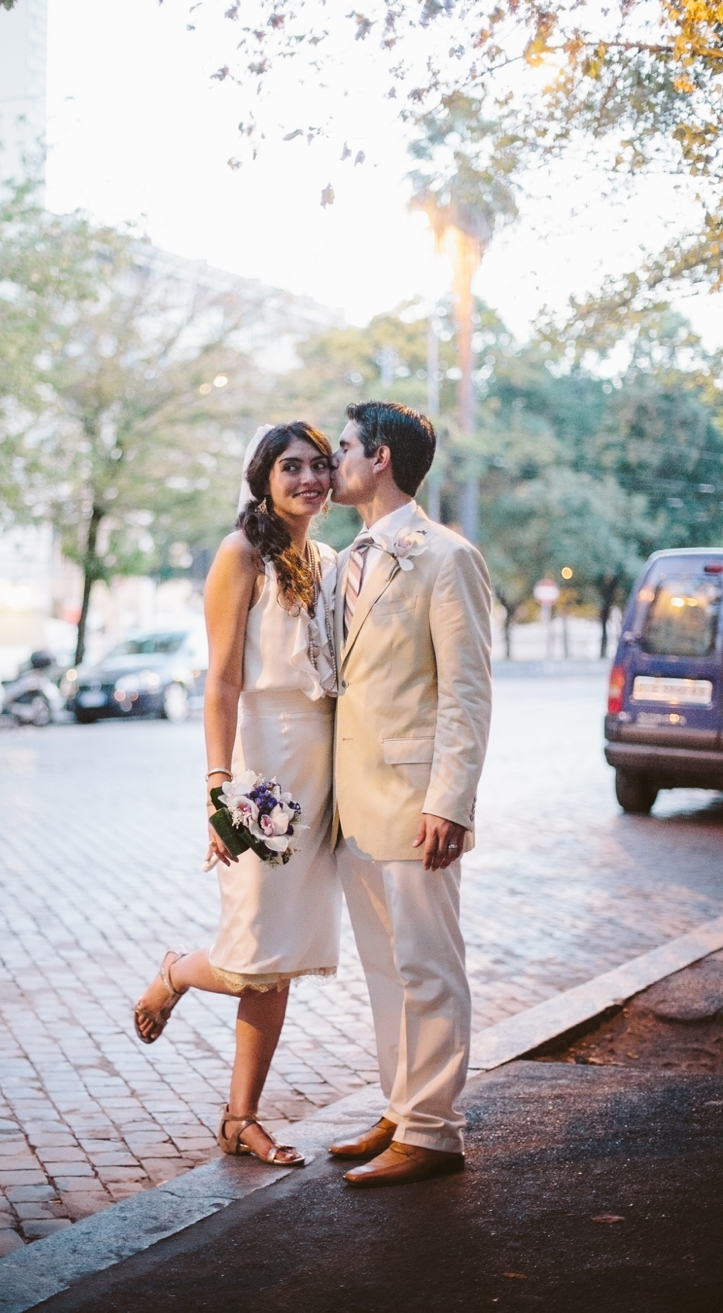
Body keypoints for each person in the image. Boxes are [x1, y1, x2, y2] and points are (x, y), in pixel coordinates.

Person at [133, 421, 341, 1167]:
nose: (309, 478)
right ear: (263, 477)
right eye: (292, 467)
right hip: (260, 763)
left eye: (320, 465)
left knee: (279, 954)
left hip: (322, 766)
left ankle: (239, 1117)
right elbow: (220, 681)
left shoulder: (325, 558)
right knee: (254, 941)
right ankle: (178, 970)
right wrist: (218, 788)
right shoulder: (240, 552)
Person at [327, 400, 492, 1188]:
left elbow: (466, 690)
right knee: (385, 970)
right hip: (355, 804)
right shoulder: (347, 555)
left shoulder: (444, 555)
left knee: (429, 968)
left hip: (415, 799)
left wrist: (449, 800)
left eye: (345, 447)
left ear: (381, 458)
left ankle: (433, 1133)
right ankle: (402, 1106)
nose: (334, 462)